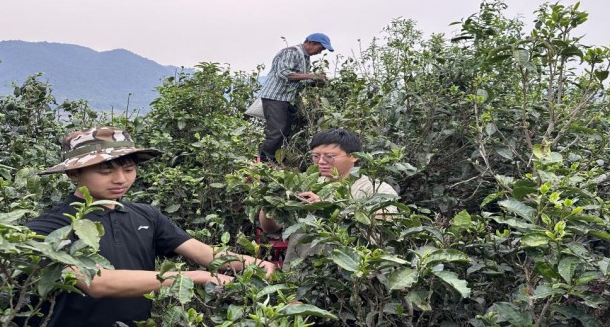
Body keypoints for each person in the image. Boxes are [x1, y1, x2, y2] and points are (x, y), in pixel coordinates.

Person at [26, 126, 276, 327]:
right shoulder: (50, 226)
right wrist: (193, 277)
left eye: (129, 169)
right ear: (74, 173)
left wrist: (253, 264)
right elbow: (96, 283)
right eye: (106, 171)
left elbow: (205, 255)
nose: (121, 179)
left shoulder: (145, 216)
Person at [258, 128, 398, 265]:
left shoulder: (375, 188)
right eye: (315, 156)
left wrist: (326, 208)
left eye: (330, 156)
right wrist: (270, 205)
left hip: (353, 273)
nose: (321, 162)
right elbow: (271, 228)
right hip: (302, 273)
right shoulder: (305, 184)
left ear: (354, 156)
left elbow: (385, 223)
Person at [258, 33, 334, 163]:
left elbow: (299, 80)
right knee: (277, 131)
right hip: (275, 98)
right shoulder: (291, 52)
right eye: (320, 49)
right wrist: (311, 76)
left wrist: (316, 82)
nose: (320, 52)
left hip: (285, 99)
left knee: (286, 131)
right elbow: (284, 73)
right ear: (311, 43)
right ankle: (264, 162)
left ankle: (277, 160)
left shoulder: (305, 57)